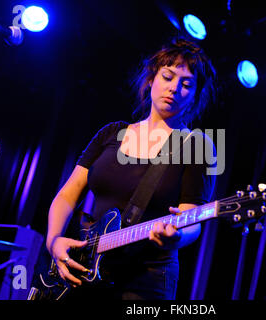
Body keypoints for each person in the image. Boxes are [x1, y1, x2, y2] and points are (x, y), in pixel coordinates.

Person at [45, 37, 217, 300]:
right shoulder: (111, 133)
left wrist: (175, 238)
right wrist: (54, 240)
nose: (174, 88)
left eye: (186, 84)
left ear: (194, 96)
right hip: (84, 269)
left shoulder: (197, 146)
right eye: (168, 77)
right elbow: (67, 196)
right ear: (151, 79)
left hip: (146, 278)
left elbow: (192, 220)